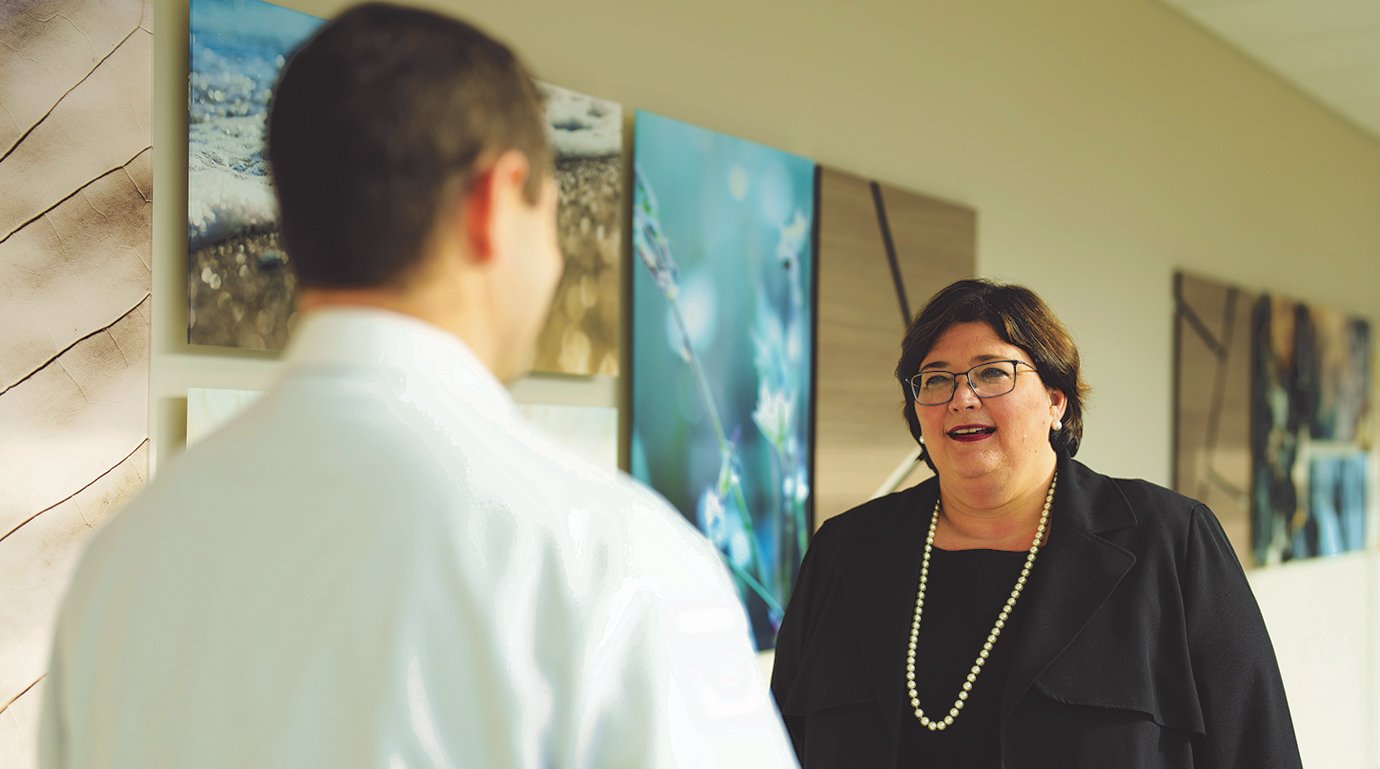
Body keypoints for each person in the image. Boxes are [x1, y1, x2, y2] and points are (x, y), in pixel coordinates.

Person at [39, 5, 797, 768]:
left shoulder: (119, 569)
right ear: (494, 204)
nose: (559, 262)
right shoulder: (616, 564)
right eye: (550, 215)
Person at [770, 278, 1302, 768]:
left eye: (993, 372)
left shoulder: (1171, 541)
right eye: (936, 380)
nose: (961, 398)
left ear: (1055, 399)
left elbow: (1257, 750)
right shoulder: (845, 552)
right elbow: (769, 747)